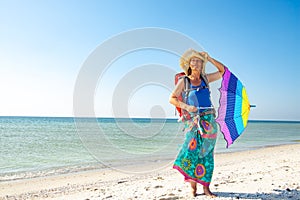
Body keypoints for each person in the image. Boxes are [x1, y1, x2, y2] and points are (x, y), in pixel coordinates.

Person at [169, 48, 225, 198]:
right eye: (194, 60)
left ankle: (206, 188)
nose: (197, 62)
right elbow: (172, 98)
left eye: (200, 60)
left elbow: (223, 71)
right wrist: (187, 107)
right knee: (191, 153)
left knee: (207, 155)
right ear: (189, 64)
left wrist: (210, 58)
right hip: (193, 122)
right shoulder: (184, 81)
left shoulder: (206, 79)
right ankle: (193, 188)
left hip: (209, 121)